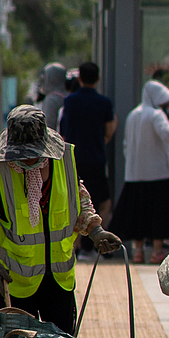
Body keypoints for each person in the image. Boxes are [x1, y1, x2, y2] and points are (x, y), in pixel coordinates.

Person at [0, 104, 122, 330]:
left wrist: (96, 231)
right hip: (16, 284)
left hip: (59, 283)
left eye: (33, 154)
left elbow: (79, 203)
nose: (29, 160)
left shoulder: (64, 162)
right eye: (23, 155)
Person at [113, 80, 169, 265]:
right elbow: (168, 135)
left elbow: (125, 145)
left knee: (138, 214)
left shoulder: (132, 115)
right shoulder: (156, 115)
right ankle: (156, 251)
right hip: (157, 174)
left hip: (134, 174)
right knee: (157, 215)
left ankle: (138, 252)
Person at [59, 59, 116, 225]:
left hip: (74, 160)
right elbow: (109, 131)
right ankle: (98, 242)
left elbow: (64, 132)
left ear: (79, 79)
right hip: (96, 160)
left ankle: (77, 246)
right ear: (98, 79)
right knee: (103, 202)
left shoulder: (69, 102)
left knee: (75, 204)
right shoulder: (104, 103)